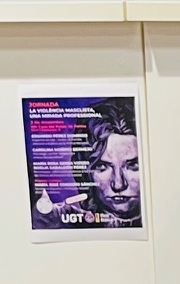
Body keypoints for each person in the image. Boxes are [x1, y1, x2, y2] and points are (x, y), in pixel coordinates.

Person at [37, 98, 143, 229]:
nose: (118, 184)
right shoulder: (62, 221)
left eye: (132, 166)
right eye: (102, 167)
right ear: (85, 173)